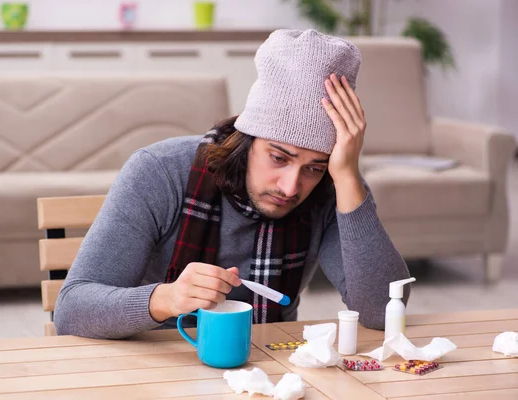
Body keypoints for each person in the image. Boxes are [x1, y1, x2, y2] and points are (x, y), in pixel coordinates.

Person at [54, 29, 411, 339]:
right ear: (248, 136)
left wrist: (347, 176)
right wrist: (165, 298)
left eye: (314, 167)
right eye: (279, 157)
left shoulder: (336, 184)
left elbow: (381, 312)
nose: (290, 188)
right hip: (152, 365)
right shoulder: (161, 172)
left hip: (271, 371)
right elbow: (71, 311)